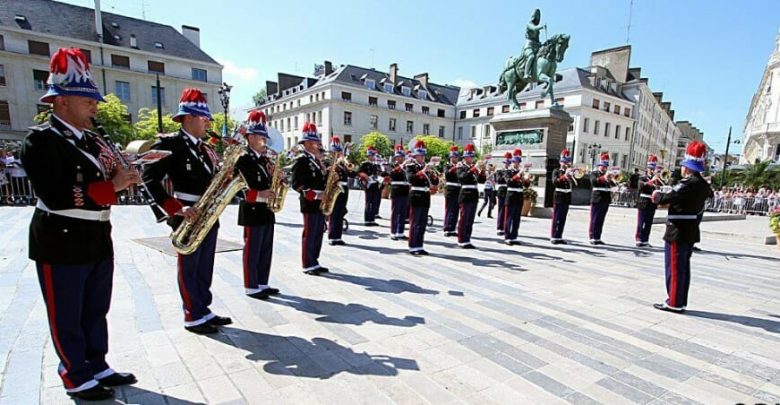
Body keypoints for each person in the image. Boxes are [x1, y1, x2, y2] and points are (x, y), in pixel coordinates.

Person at [21, 47, 139, 401]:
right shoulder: (40, 141)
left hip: (97, 235)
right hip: (61, 237)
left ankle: (96, 362)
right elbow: (58, 194)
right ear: (61, 102)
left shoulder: (91, 140)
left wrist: (124, 174)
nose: (95, 107)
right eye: (86, 100)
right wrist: (112, 185)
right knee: (67, 312)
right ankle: (74, 373)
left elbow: (103, 187)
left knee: (95, 307)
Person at [143, 88, 233, 335]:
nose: (208, 124)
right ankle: (192, 315)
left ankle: (203, 308)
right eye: (204, 119)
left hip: (208, 212)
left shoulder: (205, 148)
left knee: (205, 265)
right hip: (188, 212)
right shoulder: (169, 143)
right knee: (190, 264)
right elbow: (148, 179)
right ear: (189, 118)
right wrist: (174, 208)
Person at [652, 141, 712, 313]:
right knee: (683, 268)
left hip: (677, 230)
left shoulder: (688, 183)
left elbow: (665, 199)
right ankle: (680, 300)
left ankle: (674, 302)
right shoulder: (703, 184)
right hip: (690, 229)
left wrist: (657, 195)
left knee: (675, 268)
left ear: (687, 167)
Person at [234, 111, 279, 300]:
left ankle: (262, 282)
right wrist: (258, 194)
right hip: (252, 209)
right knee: (252, 249)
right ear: (251, 137)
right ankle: (251, 286)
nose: (265, 140)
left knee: (265, 248)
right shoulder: (243, 158)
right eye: (261, 137)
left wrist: (277, 179)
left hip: (266, 210)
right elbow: (236, 187)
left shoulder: (264, 160)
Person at [291, 123, 329, 275]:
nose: (318, 144)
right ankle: (307, 263)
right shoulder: (302, 160)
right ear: (306, 143)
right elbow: (296, 184)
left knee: (319, 232)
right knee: (310, 232)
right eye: (315, 141)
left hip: (321, 201)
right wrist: (315, 195)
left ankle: (315, 261)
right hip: (309, 201)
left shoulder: (318, 161)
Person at [406, 140, 438, 255]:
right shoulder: (411, 166)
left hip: (425, 196)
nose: (422, 157)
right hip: (416, 196)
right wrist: (424, 170)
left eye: (423, 155)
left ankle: (419, 245)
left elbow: (435, 180)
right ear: (415, 155)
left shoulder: (426, 166)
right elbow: (412, 179)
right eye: (420, 155)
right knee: (415, 222)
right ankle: (413, 246)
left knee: (422, 223)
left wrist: (433, 173)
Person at [456, 144, 485, 248]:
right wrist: (473, 169)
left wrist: (483, 170)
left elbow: (481, 181)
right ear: (465, 157)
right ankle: (461, 239)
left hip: (473, 195)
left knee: (470, 219)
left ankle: (467, 239)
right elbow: (462, 177)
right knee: (464, 218)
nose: (471, 159)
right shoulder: (461, 166)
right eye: (469, 157)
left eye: (472, 157)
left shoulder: (474, 167)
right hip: (465, 194)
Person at [326, 136, 353, 246]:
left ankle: (338, 236)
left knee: (341, 212)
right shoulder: (328, 161)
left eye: (338, 151)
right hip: (334, 188)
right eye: (335, 151)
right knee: (334, 212)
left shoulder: (343, 163)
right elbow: (326, 173)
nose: (337, 153)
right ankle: (332, 236)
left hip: (344, 189)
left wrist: (347, 166)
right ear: (331, 152)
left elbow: (351, 173)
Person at [588, 152, 615, 245]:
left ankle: (598, 237)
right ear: (599, 165)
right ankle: (592, 237)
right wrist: (604, 177)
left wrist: (612, 181)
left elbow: (613, 185)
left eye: (606, 166)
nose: (605, 168)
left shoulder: (608, 176)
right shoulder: (594, 173)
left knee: (601, 219)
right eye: (603, 166)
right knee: (594, 219)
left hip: (605, 199)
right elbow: (594, 182)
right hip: (597, 198)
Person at [635, 155, 662, 247]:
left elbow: (659, 190)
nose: (652, 170)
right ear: (647, 169)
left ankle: (645, 240)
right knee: (640, 222)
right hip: (643, 202)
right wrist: (651, 181)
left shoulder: (657, 180)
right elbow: (641, 186)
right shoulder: (642, 178)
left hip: (652, 203)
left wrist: (658, 183)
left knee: (649, 223)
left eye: (653, 168)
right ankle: (638, 239)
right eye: (651, 168)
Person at [550, 149, 574, 244]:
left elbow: (575, 185)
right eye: (564, 162)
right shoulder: (556, 171)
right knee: (556, 217)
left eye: (567, 162)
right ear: (560, 162)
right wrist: (565, 175)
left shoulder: (570, 173)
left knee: (563, 218)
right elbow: (555, 182)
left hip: (566, 196)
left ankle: (559, 236)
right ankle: (553, 236)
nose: (566, 164)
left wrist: (572, 177)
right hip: (559, 196)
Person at [388, 144, 410, 240]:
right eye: (398, 156)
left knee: (403, 212)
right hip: (396, 190)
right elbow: (391, 173)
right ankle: (393, 231)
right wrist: (402, 165)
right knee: (395, 212)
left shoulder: (407, 166)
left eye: (401, 156)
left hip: (405, 191)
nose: (399, 158)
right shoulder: (392, 165)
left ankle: (400, 231)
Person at [504, 148, 525, 245]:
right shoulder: (508, 171)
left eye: (518, 162)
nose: (517, 164)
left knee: (517, 218)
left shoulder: (520, 172)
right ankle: (508, 237)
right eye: (515, 162)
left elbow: (526, 185)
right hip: (511, 197)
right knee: (509, 218)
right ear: (512, 162)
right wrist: (518, 174)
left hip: (519, 197)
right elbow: (508, 182)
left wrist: (527, 179)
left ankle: (514, 236)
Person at [358, 147, 382, 226]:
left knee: (374, 202)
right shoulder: (364, 164)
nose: (372, 157)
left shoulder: (375, 165)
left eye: (373, 155)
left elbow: (377, 174)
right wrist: (366, 177)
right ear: (368, 156)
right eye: (371, 155)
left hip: (375, 184)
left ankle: (372, 219)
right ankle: (367, 220)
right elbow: (360, 172)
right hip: (368, 184)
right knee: (369, 203)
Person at [442, 145, 461, 237]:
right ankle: (447, 228)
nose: (455, 159)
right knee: (449, 209)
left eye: (457, 157)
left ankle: (452, 228)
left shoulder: (460, 166)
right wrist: (455, 167)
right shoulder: (447, 165)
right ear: (450, 157)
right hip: (450, 190)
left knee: (456, 210)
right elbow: (447, 174)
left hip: (458, 190)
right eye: (454, 157)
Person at [522, 9, 545, 80]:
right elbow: (534, 28)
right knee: (531, 56)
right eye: (537, 17)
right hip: (529, 46)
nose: (538, 19)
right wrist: (541, 27)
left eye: (539, 17)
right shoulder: (529, 24)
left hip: (536, 46)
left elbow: (537, 39)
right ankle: (526, 73)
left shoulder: (537, 29)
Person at [495, 152, 511, 235]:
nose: (507, 165)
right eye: (505, 163)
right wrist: (505, 174)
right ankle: (499, 227)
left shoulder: (511, 171)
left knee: (507, 210)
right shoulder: (500, 171)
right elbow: (498, 180)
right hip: (501, 191)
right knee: (501, 210)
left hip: (509, 191)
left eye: (508, 163)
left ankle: (505, 227)